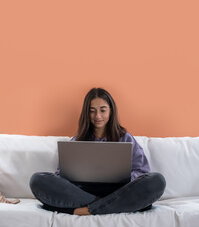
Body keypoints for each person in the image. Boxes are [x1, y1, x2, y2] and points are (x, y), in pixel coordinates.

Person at [30, 87, 166, 215]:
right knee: (38, 179)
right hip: (82, 192)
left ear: (111, 111)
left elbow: (142, 172)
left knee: (157, 180)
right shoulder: (77, 140)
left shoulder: (125, 138)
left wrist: (126, 178)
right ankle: (111, 206)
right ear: (86, 113)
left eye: (102, 110)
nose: (97, 116)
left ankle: (85, 210)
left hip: (120, 190)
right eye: (92, 111)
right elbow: (61, 175)